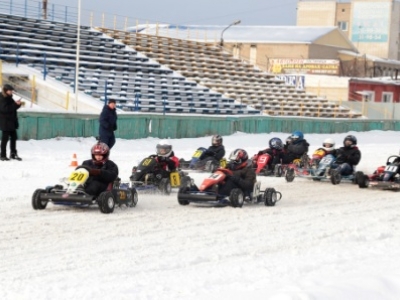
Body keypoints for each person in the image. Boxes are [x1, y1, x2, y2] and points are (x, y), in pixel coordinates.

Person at [0, 84, 22, 161]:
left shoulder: (9, 98)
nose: (11, 92)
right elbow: (5, 109)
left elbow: (12, 108)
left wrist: (18, 104)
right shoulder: (2, 98)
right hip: (5, 122)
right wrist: (15, 105)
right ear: (6, 90)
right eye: (10, 90)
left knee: (13, 138)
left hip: (11, 122)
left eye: (12, 91)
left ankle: (13, 154)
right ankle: (2, 155)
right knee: (4, 139)